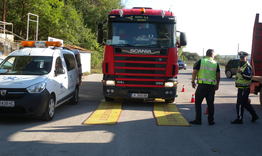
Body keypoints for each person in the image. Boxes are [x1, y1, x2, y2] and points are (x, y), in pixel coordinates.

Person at [190, 49, 220, 125]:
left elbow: (194, 72)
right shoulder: (215, 63)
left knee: (198, 103)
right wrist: (217, 84)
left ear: (206, 54)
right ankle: (211, 121)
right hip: (211, 87)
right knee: (210, 104)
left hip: (202, 86)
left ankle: (198, 120)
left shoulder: (201, 61)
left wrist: (193, 81)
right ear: (212, 55)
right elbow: (218, 76)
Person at [231, 51, 259, 124]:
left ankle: (239, 119)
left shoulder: (247, 66)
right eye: (240, 57)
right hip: (241, 87)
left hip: (244, 88)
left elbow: (249, 77)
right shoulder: (241, 65)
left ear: (246, 58)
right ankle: (254, 115)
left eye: (243, 57)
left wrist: (242, 73)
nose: (241, 59)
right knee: (245, 104)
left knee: (239, 104)